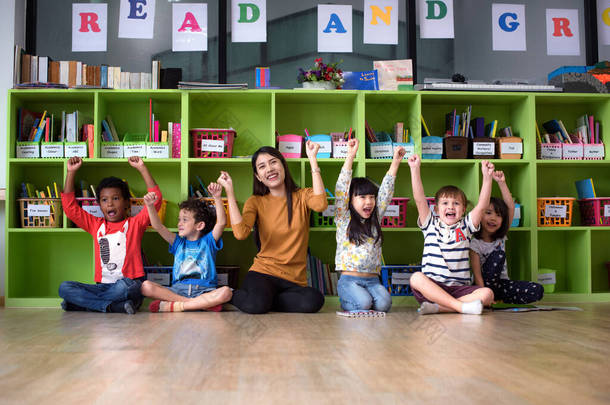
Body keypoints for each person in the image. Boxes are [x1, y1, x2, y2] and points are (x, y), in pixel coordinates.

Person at [217, 142, 327, 314]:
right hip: (263, 273)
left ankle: (266, 300)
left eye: (273, 162)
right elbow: (240, 233)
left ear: (283, 165)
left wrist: (312, 159)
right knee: (256, 306)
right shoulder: (255, 201)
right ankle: (229, 294)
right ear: (258, 176)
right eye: (262, 166)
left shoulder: (302, 196)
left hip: (294, 281)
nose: (269, 169)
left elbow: (320, 204)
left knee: (314, 300)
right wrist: (229, 192)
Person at [58, 156, 162, 314]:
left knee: (126, 287)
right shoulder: (95, 225)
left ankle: (83, 304)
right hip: (103, 286)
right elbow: (70, 208)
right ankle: (112, 307)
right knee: (65, 288)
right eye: (104, 200)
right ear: (99, 204)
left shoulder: (135, 224)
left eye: (115, 198)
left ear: (127, 202)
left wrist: (142, 168)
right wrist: (71, 172)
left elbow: (156, 199)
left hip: (127, 285)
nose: (110, 204)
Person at [407, 155, 495, 315]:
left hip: (460, 289)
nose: (451, 207)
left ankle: (440, 308)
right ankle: (460, 307)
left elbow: (482, 206)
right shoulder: (430, 224)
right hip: (434, 288)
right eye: (445, 203)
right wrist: (415, 169)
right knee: (416, 278)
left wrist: (487, 178)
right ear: (436, 209)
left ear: (463, 210)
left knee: (487, 294)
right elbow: (419, 199)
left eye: (456, 203)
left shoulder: (466, 226)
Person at [335, 138, 405, 312]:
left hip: (373, 280)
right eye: (363, 197)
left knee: (384, 305)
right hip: (350, 280)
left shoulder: (375, 218)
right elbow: (342, 187)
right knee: (364, 304)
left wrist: (396, 161)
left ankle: (362, 301)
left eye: (372, 197)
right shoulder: (344, 218)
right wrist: (350, 156)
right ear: (350, 200)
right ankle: (348, 300)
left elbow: (386, 192)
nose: (369, 202)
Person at [140, 182, 232, 312]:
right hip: (178, 291)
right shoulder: (178, 243)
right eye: (179, 220)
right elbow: (158, 226)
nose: (179, 224)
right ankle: (198, 305)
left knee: (226, 292)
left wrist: (217, 197)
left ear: (199, 225)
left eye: (185, 220)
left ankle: (177, 306)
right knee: (145, 286)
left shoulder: (208, 242)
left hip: (205, 290)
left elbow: (221, 223)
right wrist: (150, 206)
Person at [470, 170, 544, 304]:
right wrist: (482, 295)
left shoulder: (501, 238)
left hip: (501, 285)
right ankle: (489, 299)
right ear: (480, 216)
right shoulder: (475, 244)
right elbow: (476, 274)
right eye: (488, 213)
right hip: (481, 287)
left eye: (498, 215)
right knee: (498, 256)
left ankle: (499, 299)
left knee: (537, 290)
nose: (493, 218)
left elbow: (510, 207)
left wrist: (502, 183)